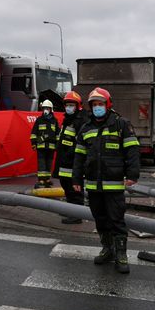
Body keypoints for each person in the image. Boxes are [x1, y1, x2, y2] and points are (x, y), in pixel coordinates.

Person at [72, 87, 140, 274]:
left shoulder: (121, 125)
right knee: (100, 219)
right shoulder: (86, 128)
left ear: (108, 104)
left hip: (114, 184)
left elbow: (132, 151)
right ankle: (107, 249)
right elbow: (78, 156)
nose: (97, 108)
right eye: (94, 105)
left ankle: (121, 255)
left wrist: (133, 175)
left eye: (100, 104)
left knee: (116, 220)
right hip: (93, 185)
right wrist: (76, 179)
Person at [53, 91, 88, 224]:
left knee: (75, 188)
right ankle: (70, 209)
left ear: (78, 105)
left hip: (73, 161)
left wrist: (70, 154)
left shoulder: (80, 120)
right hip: (65, 161)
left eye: (71, 104)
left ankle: (76, 215)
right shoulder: (68, 119)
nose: (69, 107)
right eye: (67, 104)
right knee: (66, 185)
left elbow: (81, 142)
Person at [30, 99, 58, 188]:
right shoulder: (39, 120)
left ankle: (47, 179)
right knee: (41, 164)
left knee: (49, 163)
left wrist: (57, 145)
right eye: (44, 108)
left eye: (48, 108)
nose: (46, 110)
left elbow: (58, 133)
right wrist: (34, 143)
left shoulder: (54, 121)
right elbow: (34, 132)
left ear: (51, 109)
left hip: (51, 147)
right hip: (41, 146)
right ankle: (41, 180)